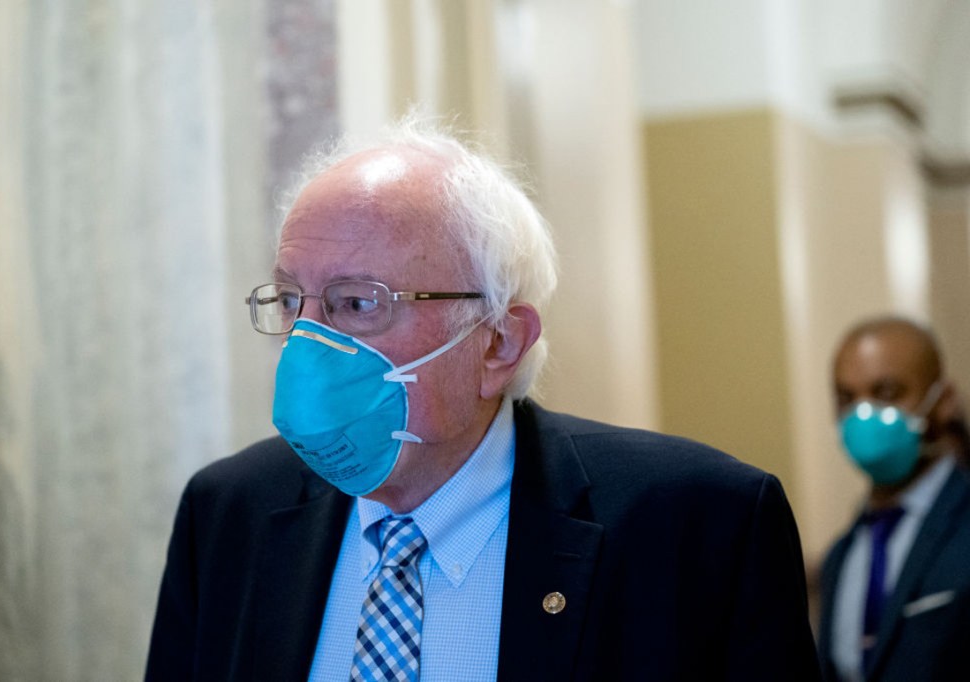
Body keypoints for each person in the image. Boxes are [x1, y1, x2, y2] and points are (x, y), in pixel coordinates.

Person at [145, 118, 819, 681]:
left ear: (498, 342)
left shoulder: (698, 527)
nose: (305, 340)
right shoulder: (228, 513)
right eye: (293, 299)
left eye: (357, 303)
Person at [817, 316, 970, 682]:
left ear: (943, 400)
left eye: (886, 393)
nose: (863, 414)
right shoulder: (840, 558)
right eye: (846, 398)